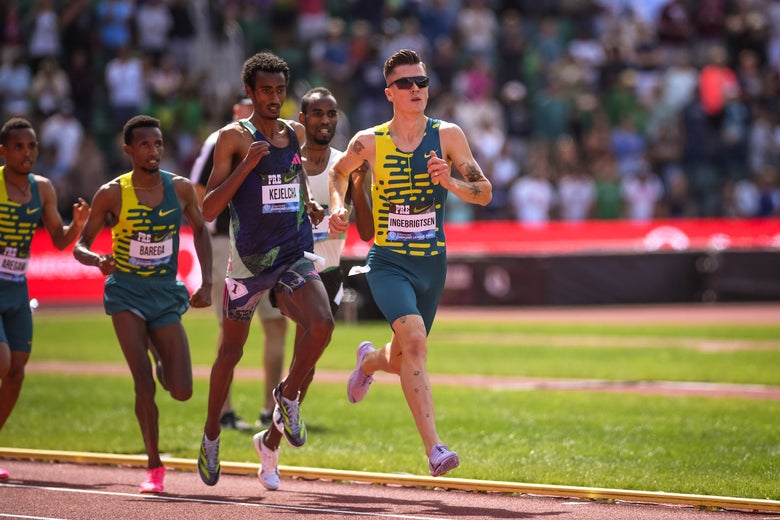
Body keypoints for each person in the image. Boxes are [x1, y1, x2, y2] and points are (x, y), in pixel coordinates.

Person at [329, 49, 492, 477]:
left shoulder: (449, 135)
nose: (416, 89)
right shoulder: (369, 141)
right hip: (388, 261)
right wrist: (337, 207)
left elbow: (485, 191)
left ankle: (367, 362)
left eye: (421, 82)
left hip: (432, 264)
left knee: (403, 356)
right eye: (406, 83)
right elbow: (339, 173)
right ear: (389, 92)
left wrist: (449, 181)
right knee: (416, 343)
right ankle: (435, 448)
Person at [196, 52, 334, 488]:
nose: (274, 98)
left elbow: (291, 179)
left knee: (323, 324)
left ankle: (287, 396)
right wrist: (247, 165)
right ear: (251, 93)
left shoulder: (293, 134)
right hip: (249, 264)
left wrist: (307, 204)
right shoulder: (233, 138)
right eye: (266, 91)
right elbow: (209, 207)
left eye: (280, 90)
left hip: (292, 253)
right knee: (230, 354)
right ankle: (211, 435)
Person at [72, 114, 212, 494]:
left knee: (181, 389)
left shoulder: (180, 189)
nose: (153, 151)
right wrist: (97, 260)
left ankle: (162, 357)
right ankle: (154, 467)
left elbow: (200, 229)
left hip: (165, 294)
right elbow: (80, 245)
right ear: (129, 150)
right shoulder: (112, 193)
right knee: (142, 381)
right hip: (126, 295)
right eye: (145, 145)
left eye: (158, 144)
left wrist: (208, 283)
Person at [252, 86, 373, 490]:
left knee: (310, 357)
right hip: (288, 267)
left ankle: (269, 442)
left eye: (331, 114)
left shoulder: (345, 165)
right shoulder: (285, 163)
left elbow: (368, 231)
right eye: (316, 114)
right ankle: (284, 402)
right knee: (317, 332)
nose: (324, 121)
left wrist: (362, 187)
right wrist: (304, 213)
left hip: (331, 272)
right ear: (301, 120)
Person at [0, 117, 89, 481]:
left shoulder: (44, 188)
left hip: (17, 287)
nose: (27, 153)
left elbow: (58, 239)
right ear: (3, 152)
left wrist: (79, 225)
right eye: (19, 147)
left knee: (17, 371)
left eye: (32, 146)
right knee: (2, 363)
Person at [189, 96, 285, 433]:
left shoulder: (278, 137)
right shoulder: (220, 140)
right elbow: (200, 191)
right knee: (230, 327)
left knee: (276, 324)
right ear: (237, 111)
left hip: (269, 244)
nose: (255, 109)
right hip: (226, 241)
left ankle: (270, 408)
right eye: (249, 103)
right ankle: (225, 409)